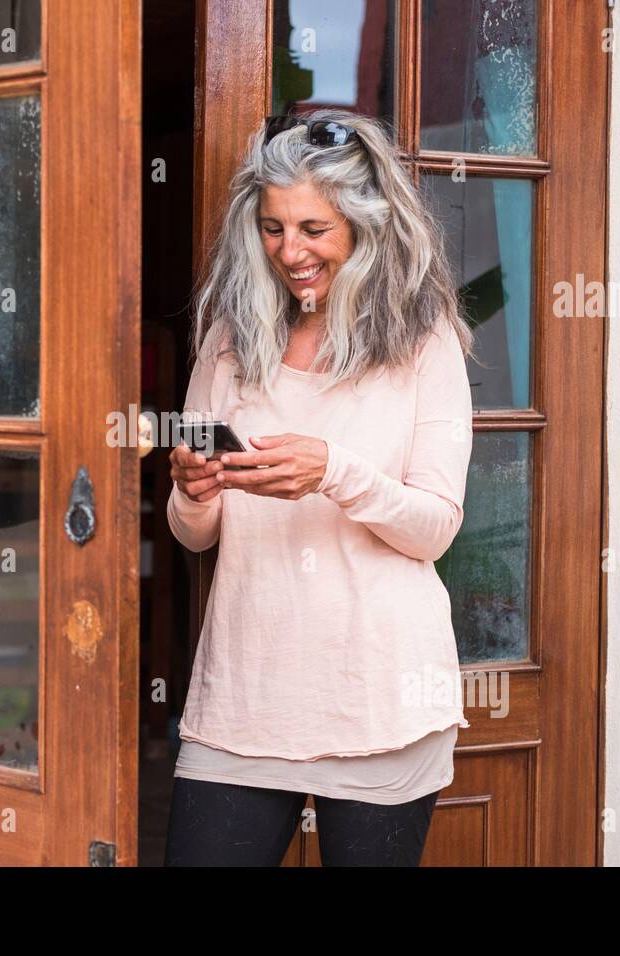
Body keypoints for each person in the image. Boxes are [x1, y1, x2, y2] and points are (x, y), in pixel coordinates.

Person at [163, 109, 476, 867]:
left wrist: (333, 473)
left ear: (365, 227)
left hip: (381, 700)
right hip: (243, 696)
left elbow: (433, 527)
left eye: (314, 229)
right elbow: (193, 535)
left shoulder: (422, 341)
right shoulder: (229, 341)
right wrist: (194, 488)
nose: (290, 252)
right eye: (273, 229)